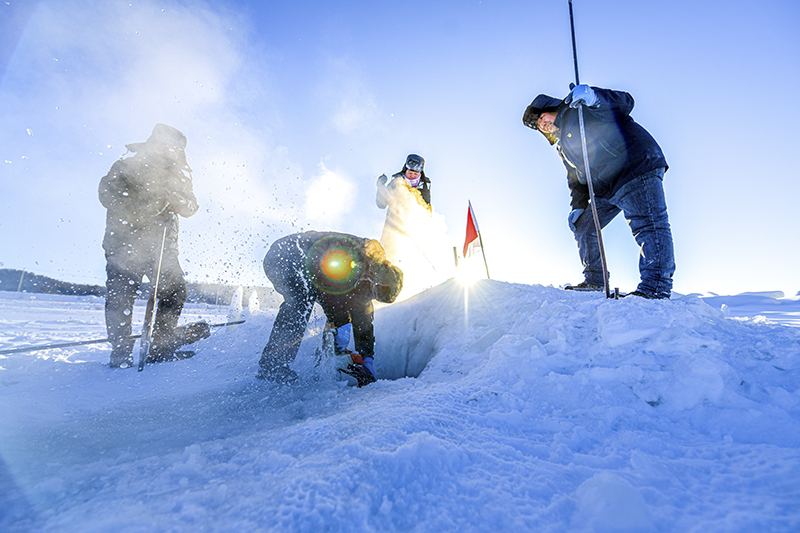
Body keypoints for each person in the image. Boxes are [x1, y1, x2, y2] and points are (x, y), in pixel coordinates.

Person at [523, 84, 675, 299]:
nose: (542, 124)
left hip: (634, 168)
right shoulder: (562, 146)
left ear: (551, 106)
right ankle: (595, 280)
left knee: (648, 224)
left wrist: (594, 97)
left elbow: (625, 103)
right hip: (606, 187)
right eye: (538, 125)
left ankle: (656, 287)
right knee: (584, 226)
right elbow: (575, 179)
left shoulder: (582, 110)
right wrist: (577, 207)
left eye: (541, 117)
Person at [99, 123, 207, 368]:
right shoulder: (127, 165)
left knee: (175, 290)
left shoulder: (179, 175)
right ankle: (120, 351)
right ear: (152, 142)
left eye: (173, 148)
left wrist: (172, 199)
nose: (167, 150)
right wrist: (142, 204)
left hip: (162, 244)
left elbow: (191, 206)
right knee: (121, 295)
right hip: (124, 241)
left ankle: (161, 345)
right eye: (162, 144)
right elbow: (106, 194)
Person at [258, 231, 403, 387]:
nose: (374, 296)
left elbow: (364, 325)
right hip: (285, 255)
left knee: (331, 306)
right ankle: (272, 366)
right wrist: (340, 324)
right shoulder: (359, 253)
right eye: (378, 291)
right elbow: (327, 285)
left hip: (312, 271)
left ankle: (324, 362)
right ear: (377, 280)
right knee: (301, 301)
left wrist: (367, 360)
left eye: (379, 297)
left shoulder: (364, 288)